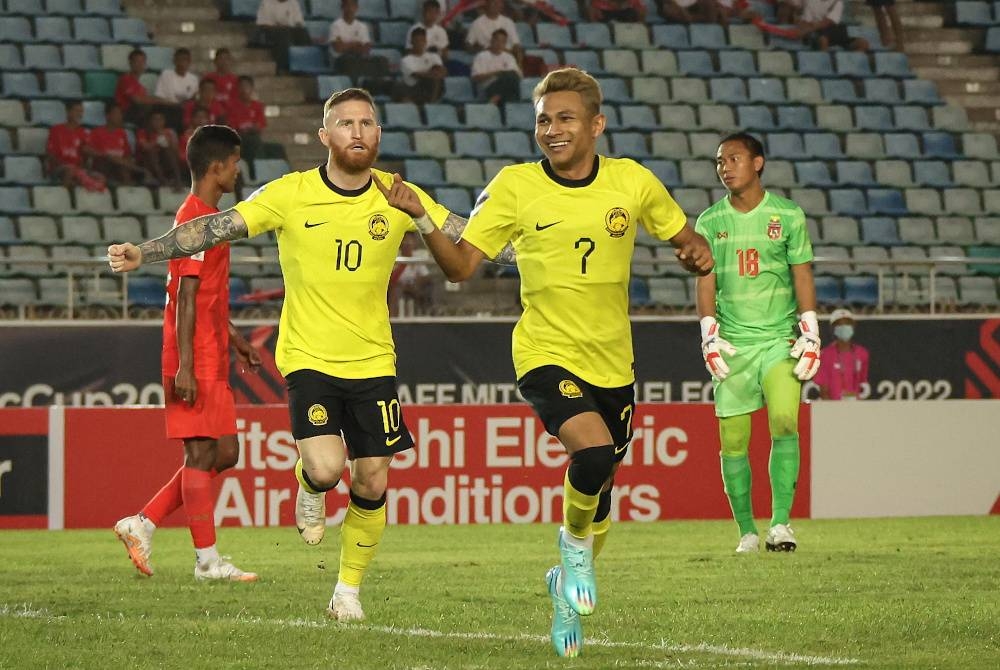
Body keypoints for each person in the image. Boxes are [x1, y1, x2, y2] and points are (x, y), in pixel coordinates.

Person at [107, 87, 512, 621]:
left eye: (368, 122)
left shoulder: (399, 194)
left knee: (372, 479)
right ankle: (309, 483)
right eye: (346, 123)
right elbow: (213, 227)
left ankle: (347, 591)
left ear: (379, 134)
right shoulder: (291, 193)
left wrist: (532, 245)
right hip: (309, 358)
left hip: (374, 362)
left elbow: (480, 245)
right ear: (325, 136)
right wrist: (148, 250)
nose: (358, 132)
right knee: (326, 467)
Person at [377, 68, 713, 657]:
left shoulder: (632, 182)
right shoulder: (513, 187)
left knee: (601, 489)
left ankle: (564, 584)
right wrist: (423, 218)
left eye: (564, 118)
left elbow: (685, 237)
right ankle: (573, 551)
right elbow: (460, 269)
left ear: (596, 125)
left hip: (613, 361)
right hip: (543, 350)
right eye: (542, 120)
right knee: (592, 451)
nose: (551, 130)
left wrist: (695, 251)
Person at [113, 124, 261, 582]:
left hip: (212, 349)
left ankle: (144, 522)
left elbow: (209, 297)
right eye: (234, 162)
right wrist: (185, 366)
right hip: (193, 355)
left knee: (226, 453)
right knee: (201, 456)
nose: (238, 169)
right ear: (216, 167)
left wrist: (235, 338)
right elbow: (186, 299)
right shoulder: (193, 221)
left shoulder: (209, 220)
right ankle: (207, 561)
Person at [694, 132, 820, 557]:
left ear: (758, 163)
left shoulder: (787, 215)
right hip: (732, 345)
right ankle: (747, 531)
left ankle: (780, 524)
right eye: (719, 161)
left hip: (779, 339)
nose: (725, 167)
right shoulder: (710, 221)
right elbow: (705, 278)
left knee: (785, 420)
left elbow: (801, 272)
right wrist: (708, 332)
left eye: (733, 158)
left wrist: (811, 328)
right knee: (733, 440)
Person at [45, 99, 105, 192]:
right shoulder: (56, 130)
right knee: (70, 170)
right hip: (59, 168)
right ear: (68, 112)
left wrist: (98, 154)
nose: (80, 114)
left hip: (77, 169)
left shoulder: (83, 132)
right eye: (76, 111)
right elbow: (50, 154)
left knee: (100, 177)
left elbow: (86, 152)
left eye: (81, 111)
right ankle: (63, 196)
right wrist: (63, 165)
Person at [115, 48, 180, 127]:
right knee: (156, 107)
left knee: (173, 109)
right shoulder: (125, 79)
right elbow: (137, 100)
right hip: (125, 113)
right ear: (130, 63)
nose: (140, 64)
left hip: (139, 113)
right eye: (137, 61)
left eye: (142, 62)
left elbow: (147, 100)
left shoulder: (141, 87)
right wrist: (163, 101)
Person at [814, 308, 868, 400]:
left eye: (848, 324)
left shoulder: (862, 353)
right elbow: (824, 391)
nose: (845, 327)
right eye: (840, 325)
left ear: (853, 327)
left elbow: (862, 385)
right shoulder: (825, 355)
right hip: (833, 408)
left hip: (856, 407)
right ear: (833, 329)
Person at [88, 101, 146, 186]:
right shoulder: (96, 132)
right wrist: (105, 156)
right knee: (112, 158)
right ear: (108, 116)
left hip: (120, 167)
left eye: (121, 114)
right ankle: (139, 171)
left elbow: (128, 155)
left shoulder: (122, 133)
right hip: (103, 166)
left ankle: (127, 190)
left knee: (121, 166)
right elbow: (90, 151)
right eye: (116, 113)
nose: (120, 116)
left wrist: (124, 161)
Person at [253, 0, 310, 73]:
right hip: (270, 29)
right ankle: (282, 66)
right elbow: (263, 23)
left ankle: (303, 66)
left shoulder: (293, 3)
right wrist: (280, 26)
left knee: (303, 32)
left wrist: (296, 26)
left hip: (289, 29)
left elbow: (299, 21)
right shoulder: (266, 2)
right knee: (283, 33)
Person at [470, 29, 521, 105]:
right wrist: (496, 74)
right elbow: (475, 78)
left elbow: (517, 76)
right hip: (488, 86)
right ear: (491, 41)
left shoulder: (509, 57)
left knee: (511, 76)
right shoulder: (481, 56)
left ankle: (496, 99)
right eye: (497, 40)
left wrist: (502, 74)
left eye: (503, 41)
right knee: (509, 80)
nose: (499, 43)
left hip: (506, 86)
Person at [465, 0, 523, 68]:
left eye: (499, 2)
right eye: (494, 2)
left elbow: (516, 44)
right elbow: (468, 45)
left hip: (507, 58)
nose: (497, 5)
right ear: (486, 4)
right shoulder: (477, 23)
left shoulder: (508, 22)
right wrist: (479, 50)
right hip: (487, 60)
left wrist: (518, 56)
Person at [396, 26, 446, 103]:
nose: (419, 43)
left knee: (437, 80)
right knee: (431, 80)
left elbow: (441, 72)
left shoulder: (434, 56)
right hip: (413, 89)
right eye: (417, 40)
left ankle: (431, 104)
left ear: (425, 41)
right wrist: (432, 73)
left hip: (431, 89)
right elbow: (417, 75)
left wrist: (432, 73)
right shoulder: (406, 60)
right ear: (412, 42)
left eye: (422, 40)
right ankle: (429, 105)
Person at [796, 0, 868, 51]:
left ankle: (851, 65)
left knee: (863, 43)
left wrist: (809, 28)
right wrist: (808, 28)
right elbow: (806, 21)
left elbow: (829, 22)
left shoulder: (837, 2)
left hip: (835, 31)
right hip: (818, 32)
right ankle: (823, 67)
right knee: (823, 40)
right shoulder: (811, 1)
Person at [136, 110, 183, 189]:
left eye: (160, 119)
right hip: (148, 162)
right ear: (150, 121)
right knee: (152, 153)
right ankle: (162, 180)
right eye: (155, 119)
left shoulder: (169, 132)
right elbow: (144, 147)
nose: (158, 122)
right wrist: (157, 142)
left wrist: (167, 141)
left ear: (164, 121)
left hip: (165, 161)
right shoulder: (143, 132)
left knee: (168, 151)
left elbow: (176, 150)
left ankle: (178, 179)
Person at [225, 76, 267, 164]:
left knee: (276, 148)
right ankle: (254, 170)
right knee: (253, 142)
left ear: (252, 88)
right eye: (241, 86)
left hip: (253, 136)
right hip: (237, 138)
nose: (244, 90)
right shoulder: (231, 106)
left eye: (246, 86)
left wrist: (254, 128)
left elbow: (261, 124)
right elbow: (232, 127)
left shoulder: (257, 106)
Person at [406, 0, 450, 64]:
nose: (432, 15)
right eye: (429, 12)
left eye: (435, 13)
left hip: (436, 65)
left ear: (438, 14)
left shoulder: (441, 31)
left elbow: (445, 54)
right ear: (423, 13)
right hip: (418, 62)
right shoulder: (414, 29)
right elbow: (408, 52)